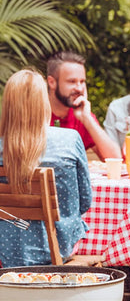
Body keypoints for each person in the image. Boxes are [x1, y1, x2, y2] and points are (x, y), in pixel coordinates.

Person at [0, 69, 92, 267]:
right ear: (43, 102)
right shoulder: (70, 139)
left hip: (4, 250)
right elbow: (85, 201)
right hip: (59, 248)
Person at [47, 51, 121, 161]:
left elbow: (115, 159)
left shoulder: (82, 116)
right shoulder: (35, 112)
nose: (79, 88)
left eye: (82, 82)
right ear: (52, 82)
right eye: (72, 81)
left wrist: (87, 119)